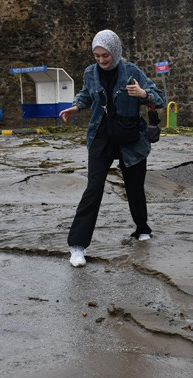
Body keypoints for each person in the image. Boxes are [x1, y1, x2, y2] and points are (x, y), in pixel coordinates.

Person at [59, 30, 165, 268]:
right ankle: (77, 246)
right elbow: (86, 96)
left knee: (134, 186)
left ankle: (142, 229)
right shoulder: (90, 73)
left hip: (130, 137)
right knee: (93, 188)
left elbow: (159, 97)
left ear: (115, 52)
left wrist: (142, 94)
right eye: (97, 56)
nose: (101, 60)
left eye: (105, 55)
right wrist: (74, 108)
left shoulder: (132, 72)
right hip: (101, 136)